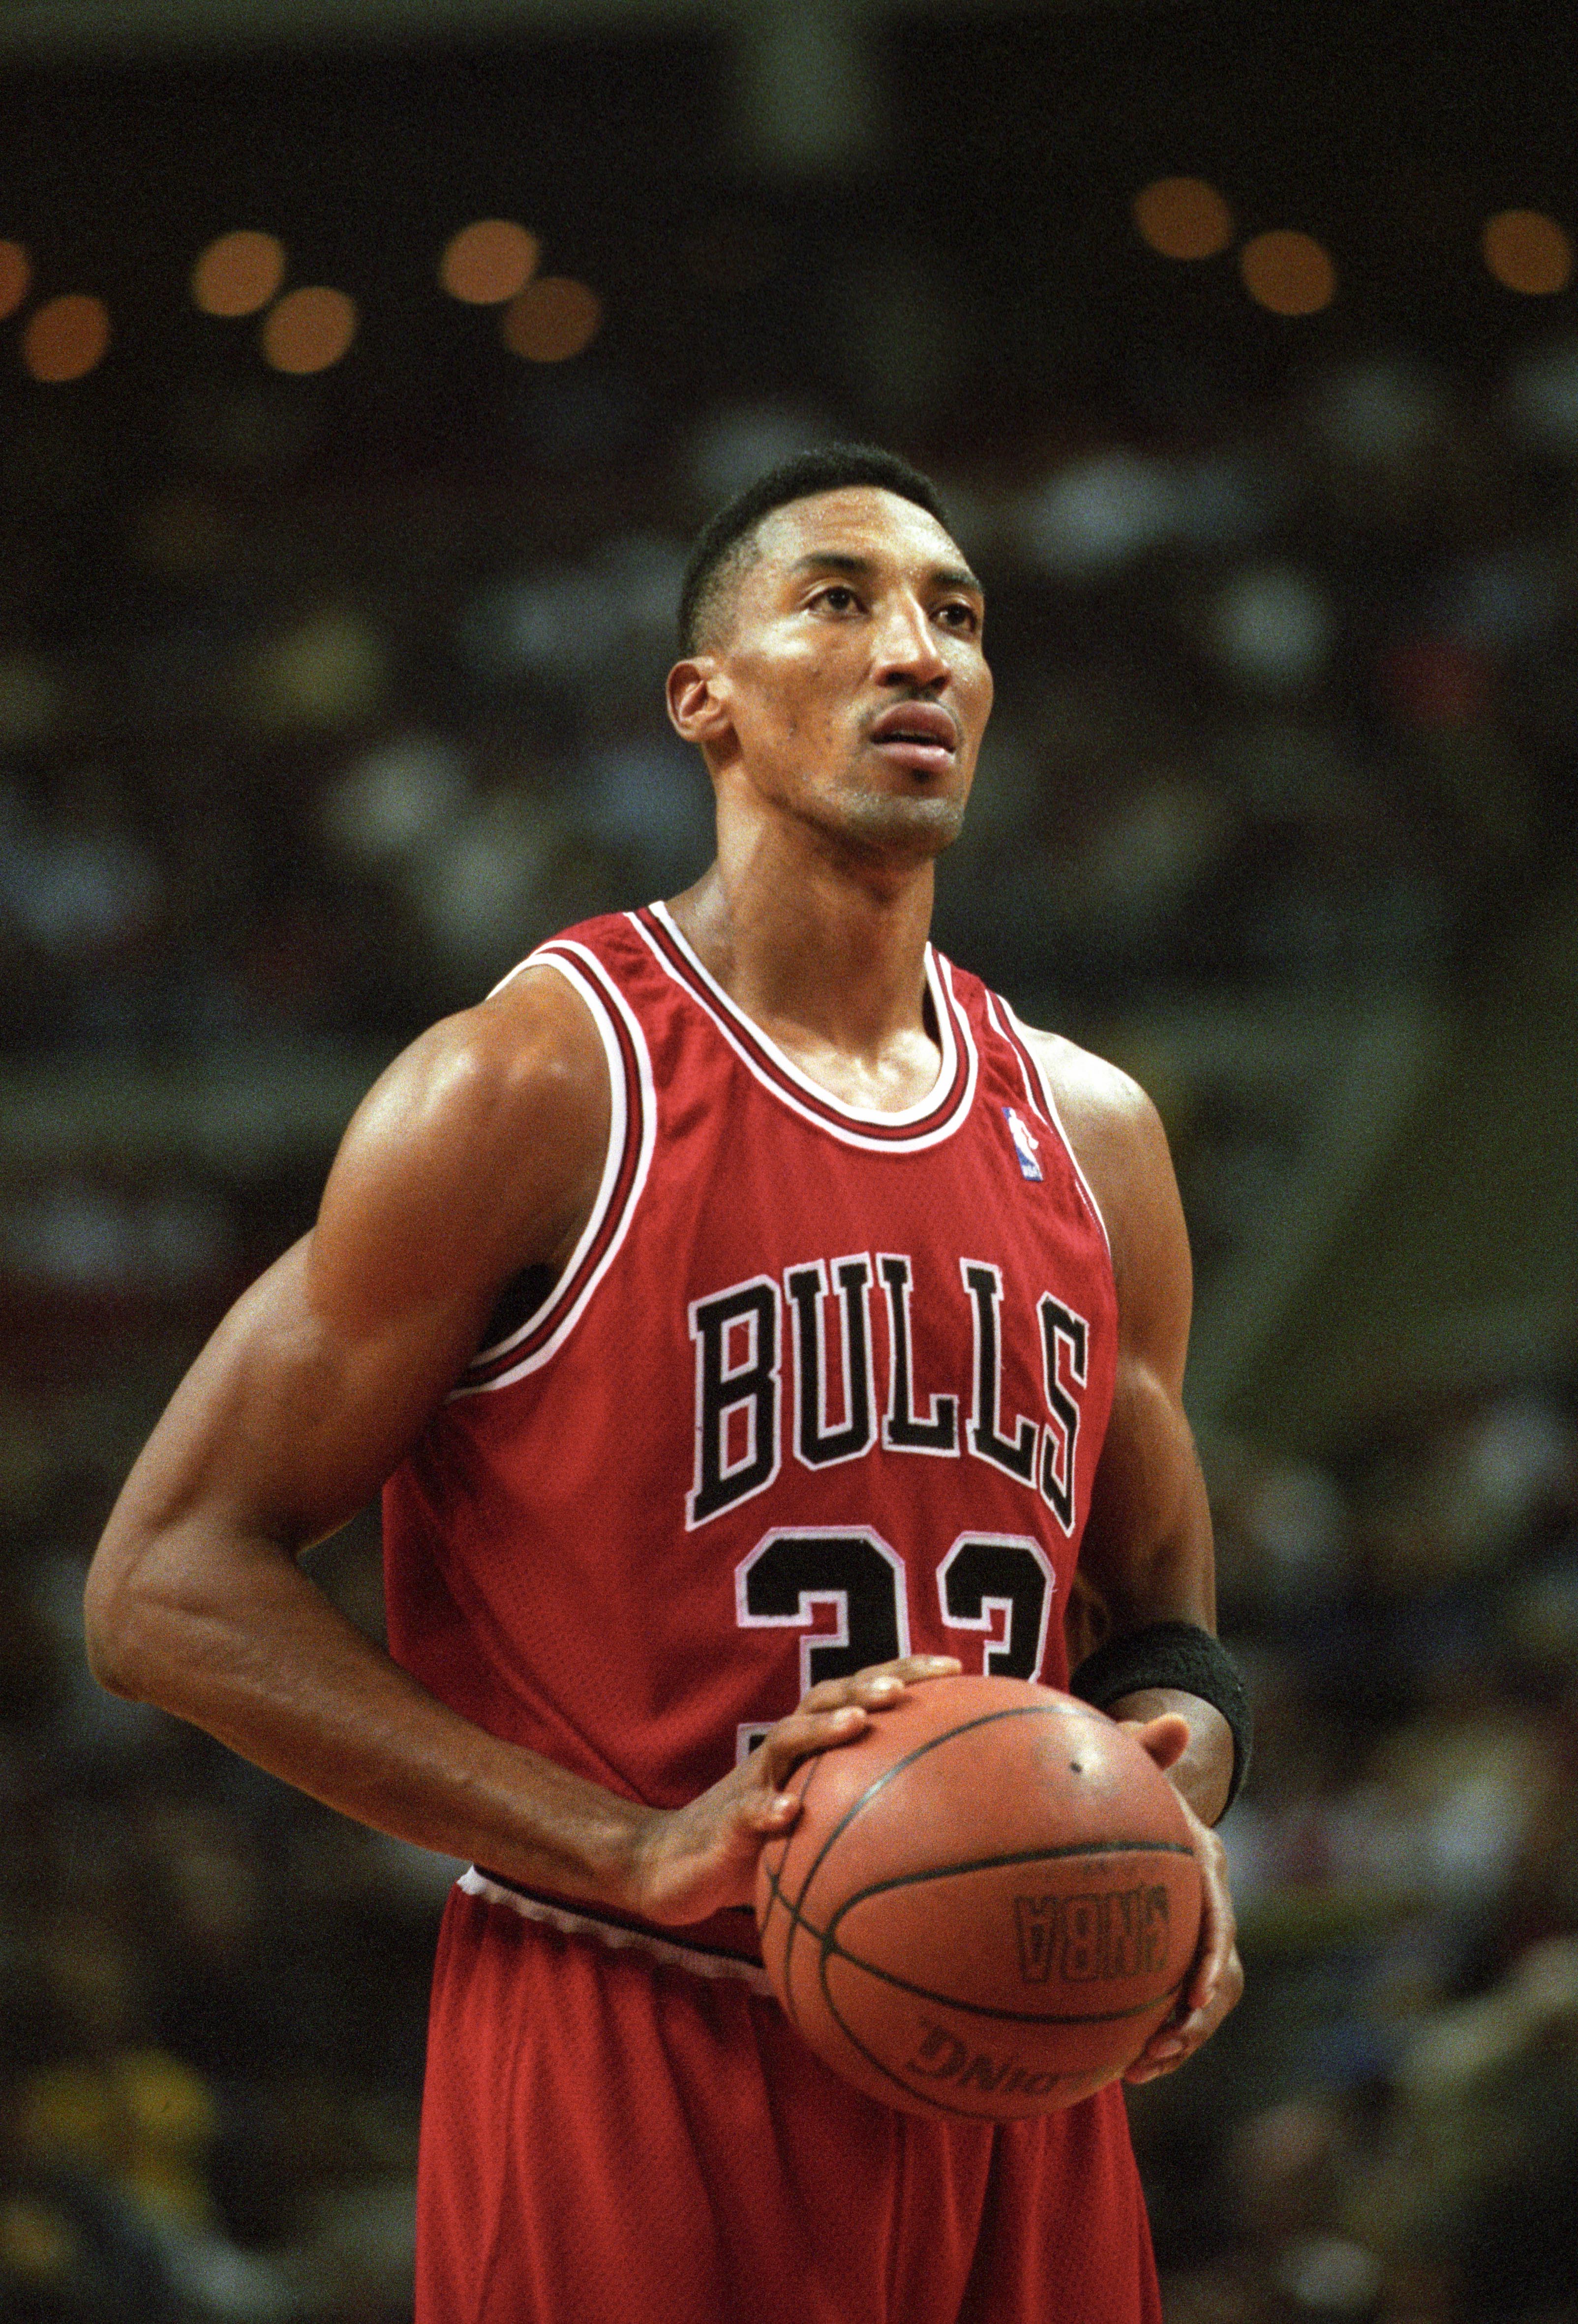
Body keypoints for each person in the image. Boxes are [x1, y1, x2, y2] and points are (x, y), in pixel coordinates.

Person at [86, 444, 1248, 2324]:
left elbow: (1154, 1579)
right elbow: (160, 1586)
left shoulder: (1093, 1130)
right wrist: (630, 1849)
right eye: (842, 601)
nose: (917, 653)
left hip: (1019, 2065)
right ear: (703, 703)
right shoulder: (535, 1084)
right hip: (633, 2034)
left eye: (957, 616)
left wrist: (1180, 1758)